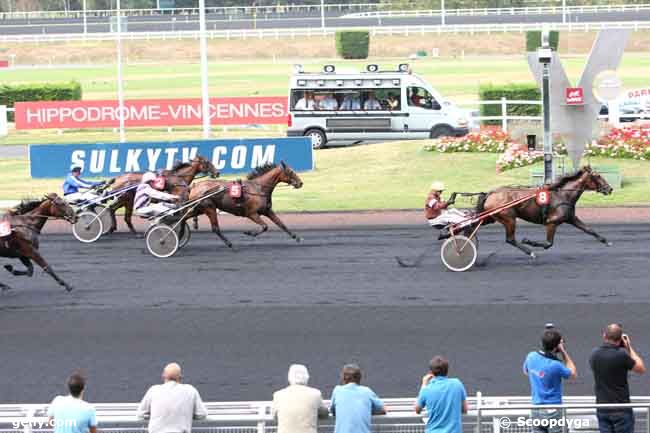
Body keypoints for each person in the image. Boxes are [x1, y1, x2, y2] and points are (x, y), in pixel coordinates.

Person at [590, 324, 646, 433]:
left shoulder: (594, 354)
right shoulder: (621, 355)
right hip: (621, 409)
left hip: (602, 408)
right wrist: (629, 347)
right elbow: (641, 369)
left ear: (604, 336)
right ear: (620, 339)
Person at [523, 328, 577, 433]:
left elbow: (526, 371)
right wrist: (563, 351)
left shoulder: (531, 356)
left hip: (536, 410)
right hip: (554, 410)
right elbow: (573, 374)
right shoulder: (556, 365)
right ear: (556, 346)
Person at [137, 362, 208, 433]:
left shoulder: (153, 390)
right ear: (180, 377)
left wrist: (156, 415)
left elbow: (141, 414)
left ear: (163, 376)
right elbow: (202, 414)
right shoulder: (191, 390)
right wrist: (186, 414)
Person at [415, 356, 467, 433]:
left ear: (431, 373)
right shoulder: (457, 384)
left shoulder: (426, 389)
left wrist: (423, 384)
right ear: (447, 370)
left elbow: (417, 409)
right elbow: (464, 410)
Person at [272, 364, 329, 433]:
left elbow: (274, 416)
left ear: (289, 378)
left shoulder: (278, 395)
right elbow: (324, 414)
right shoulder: (315, 394)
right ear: (307, 377)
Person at [330, 364, 385, 433]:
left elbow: (332, 410)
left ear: (343, 378)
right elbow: (383, 409)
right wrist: (367, 410)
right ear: (360, 378)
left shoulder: (337, 390)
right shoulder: (367, 391)